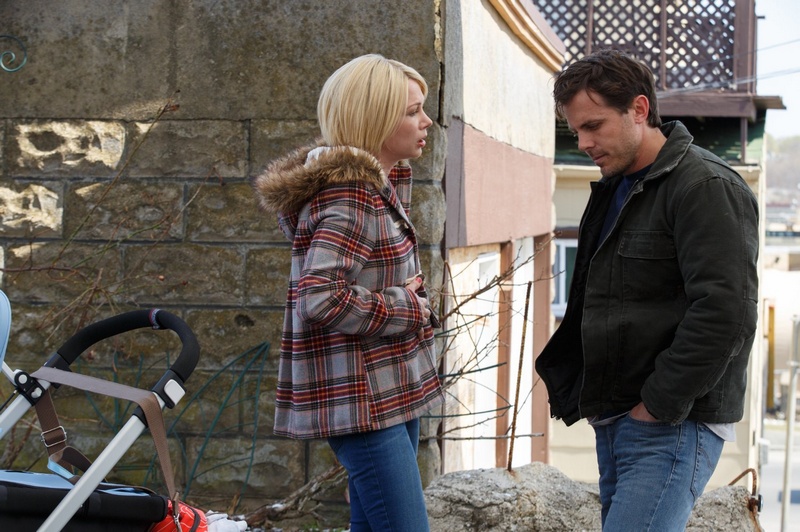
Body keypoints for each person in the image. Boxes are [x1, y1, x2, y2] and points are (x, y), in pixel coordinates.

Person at [535, 49, 759, 531]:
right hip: (620, 419)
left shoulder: (704, 185)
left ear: (639, 108)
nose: (584, 143)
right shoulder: (616, 185)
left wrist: (654, 407)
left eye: (594, 125)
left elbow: (726, 313)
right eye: (576, 131)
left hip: (673, 422)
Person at [253, 54, 444, 532]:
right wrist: (409, 306)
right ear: (375, 120)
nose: (427, 121)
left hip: (387, 388)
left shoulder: (375, 185)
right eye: (413, 111)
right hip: (363, 400)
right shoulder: (352, 195)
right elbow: (321, 297)